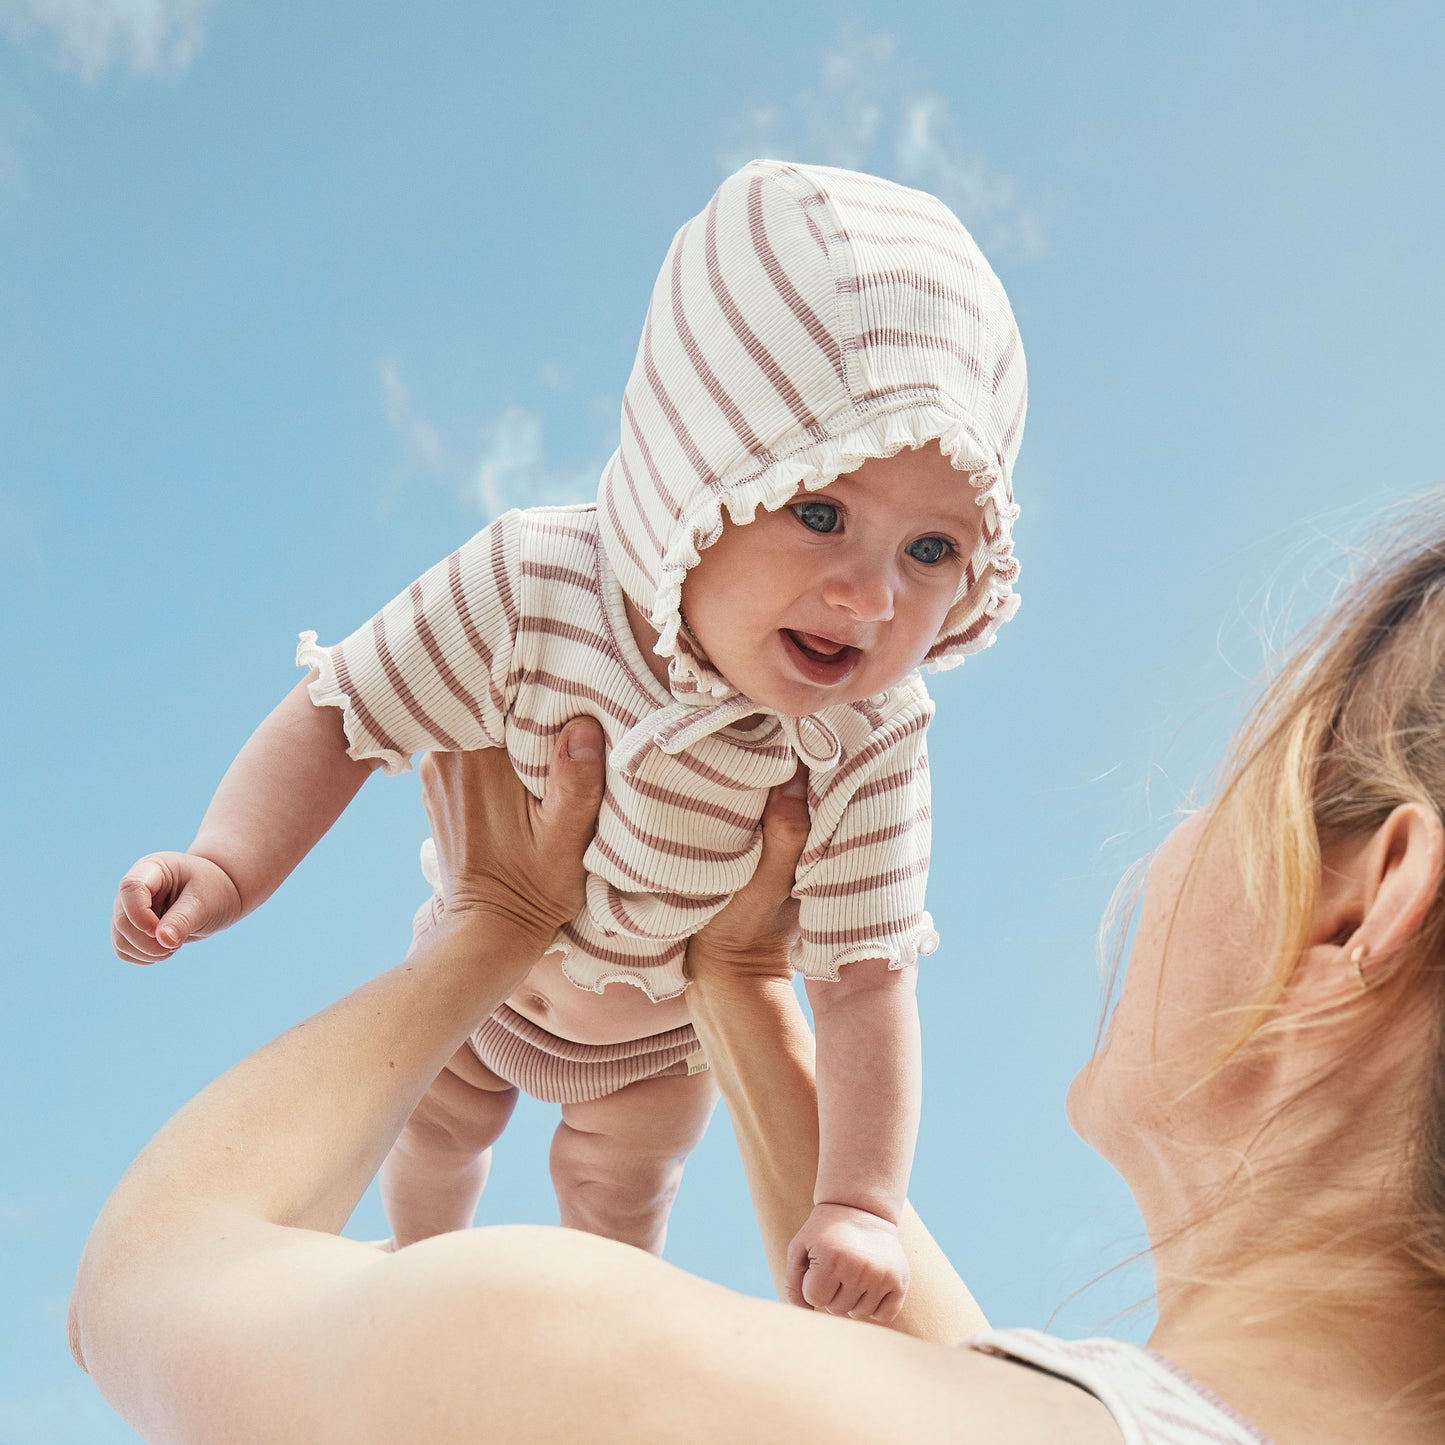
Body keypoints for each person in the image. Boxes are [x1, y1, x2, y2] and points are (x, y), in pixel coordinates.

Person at [75, 510, 1445, 1442]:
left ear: (1366, 902)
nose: (1174, 839)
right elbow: (937, 1374)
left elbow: (143, 1284)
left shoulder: (569, 1357)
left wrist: (496, 919)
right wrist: (738, 978)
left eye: (1227, 786)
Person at [108, 158, 1028, 1319]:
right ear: (696, 474)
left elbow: (862, 976)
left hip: (660, 1046)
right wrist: (227, 863)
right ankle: (413, 1279)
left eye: (930, 551)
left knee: (617, 1202)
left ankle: (596, 1342)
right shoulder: (534, 584)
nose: (868, 596)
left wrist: (857, 1198)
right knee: (431, 1134)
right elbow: (343, 712)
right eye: (818, 511)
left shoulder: (868, 735)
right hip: (485, 996)